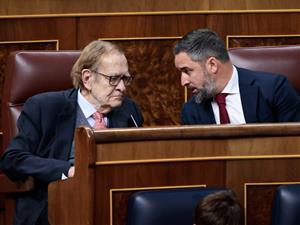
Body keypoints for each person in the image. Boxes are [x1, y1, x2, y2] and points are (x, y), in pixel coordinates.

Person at [0, 40, 143, 225]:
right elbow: (12, 159)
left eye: (126, 79)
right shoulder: (45, 107)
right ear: (87, 78)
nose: (122, 87)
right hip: (55, 206)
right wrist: (68, 170)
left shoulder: (129, 110)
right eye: (113, 79)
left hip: (113, 204)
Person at [173, 28, 300, 125]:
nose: (183, 81)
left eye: (187, 71)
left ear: (212, 65)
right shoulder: (190, 111)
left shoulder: (274, 89)